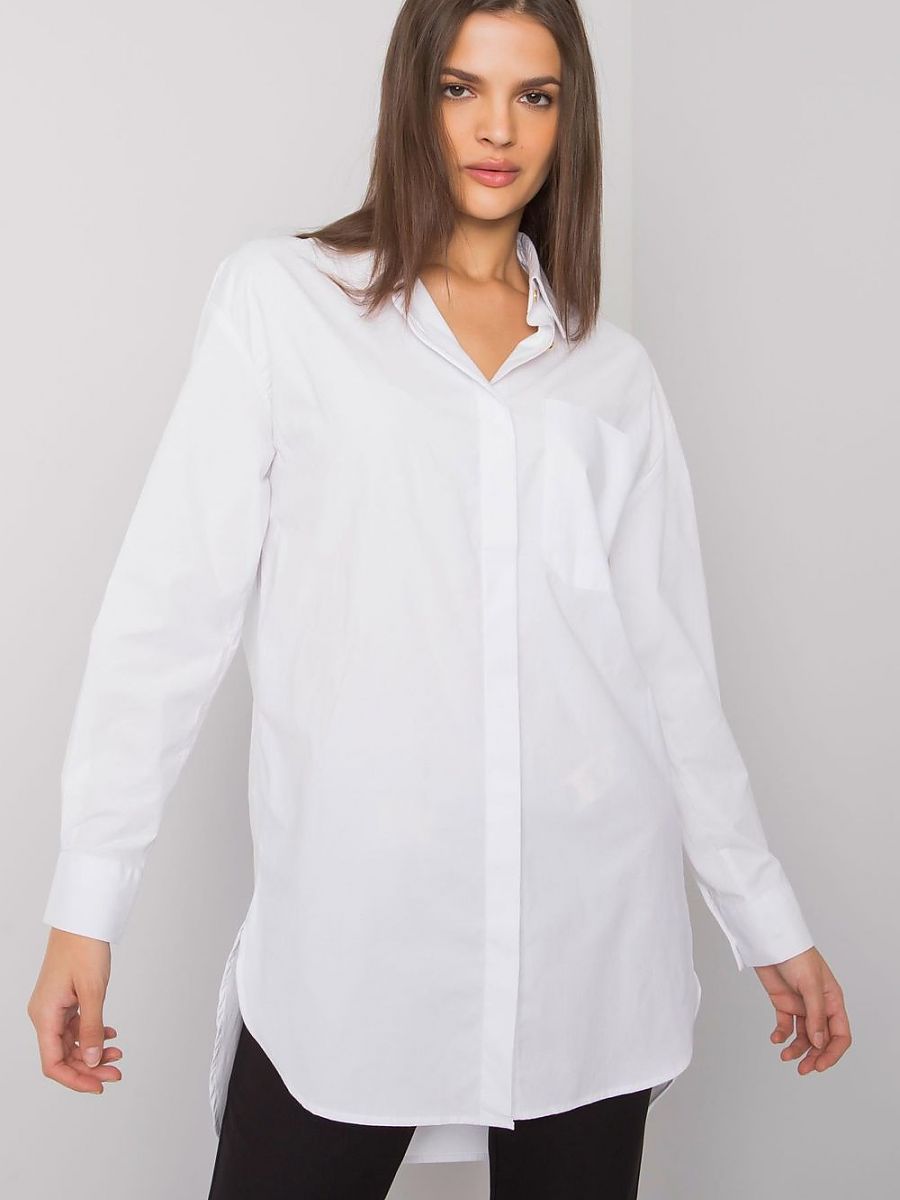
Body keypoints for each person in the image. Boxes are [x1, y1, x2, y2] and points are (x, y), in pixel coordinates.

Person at [28, 1, 852, 1197]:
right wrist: (86, 902)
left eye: (535, 95)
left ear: (570, 120)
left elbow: (668, 675)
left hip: (589, 944)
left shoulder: (611, 376)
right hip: (354, 947)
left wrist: (764, 918)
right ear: (412, 98)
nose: (497, 129)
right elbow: (168, 615)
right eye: (462, 88)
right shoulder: (282, 304)